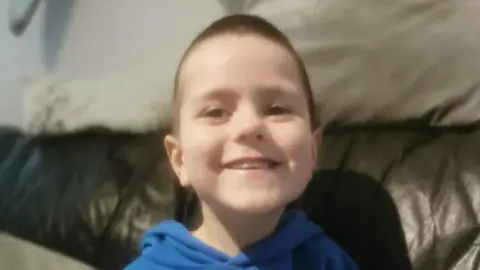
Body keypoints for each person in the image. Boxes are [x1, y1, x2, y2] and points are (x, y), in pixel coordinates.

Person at [125, 14, 359, 270]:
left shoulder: (327, 262)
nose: (249, 126)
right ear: (180, 160)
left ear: (313, 151)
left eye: (277, 109)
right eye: (215, 112)